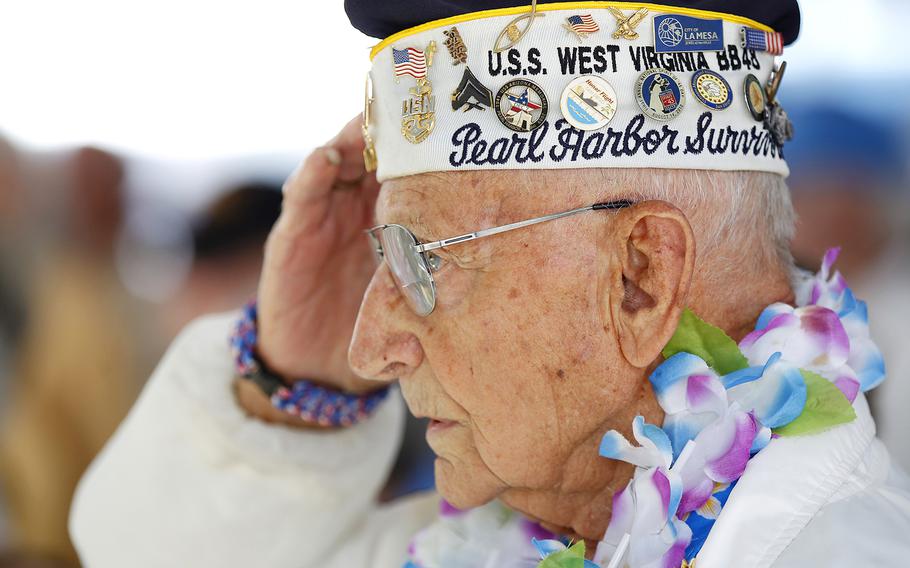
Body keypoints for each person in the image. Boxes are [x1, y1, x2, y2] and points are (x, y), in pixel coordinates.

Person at [69, 1, 910, 567]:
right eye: (382, 258)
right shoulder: (495, 535)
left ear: (639, 279)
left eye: (423, 259)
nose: (371, 347)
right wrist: (293, 382)